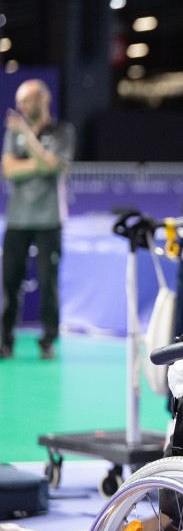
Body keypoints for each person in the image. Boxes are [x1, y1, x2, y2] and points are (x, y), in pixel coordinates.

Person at [1, 79, 76, 359]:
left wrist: (28, 140)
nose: (20, 106)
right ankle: (4, 340)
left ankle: (48, 341)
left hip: (49, 220)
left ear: (43, 100)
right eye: (19, 100)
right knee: (10, 281)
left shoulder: (62, 131)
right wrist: (41, 162)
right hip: (17, 219)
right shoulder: (12, 134)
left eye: (27, 100)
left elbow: (55, 167)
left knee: (48, 282)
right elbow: (8, 169)